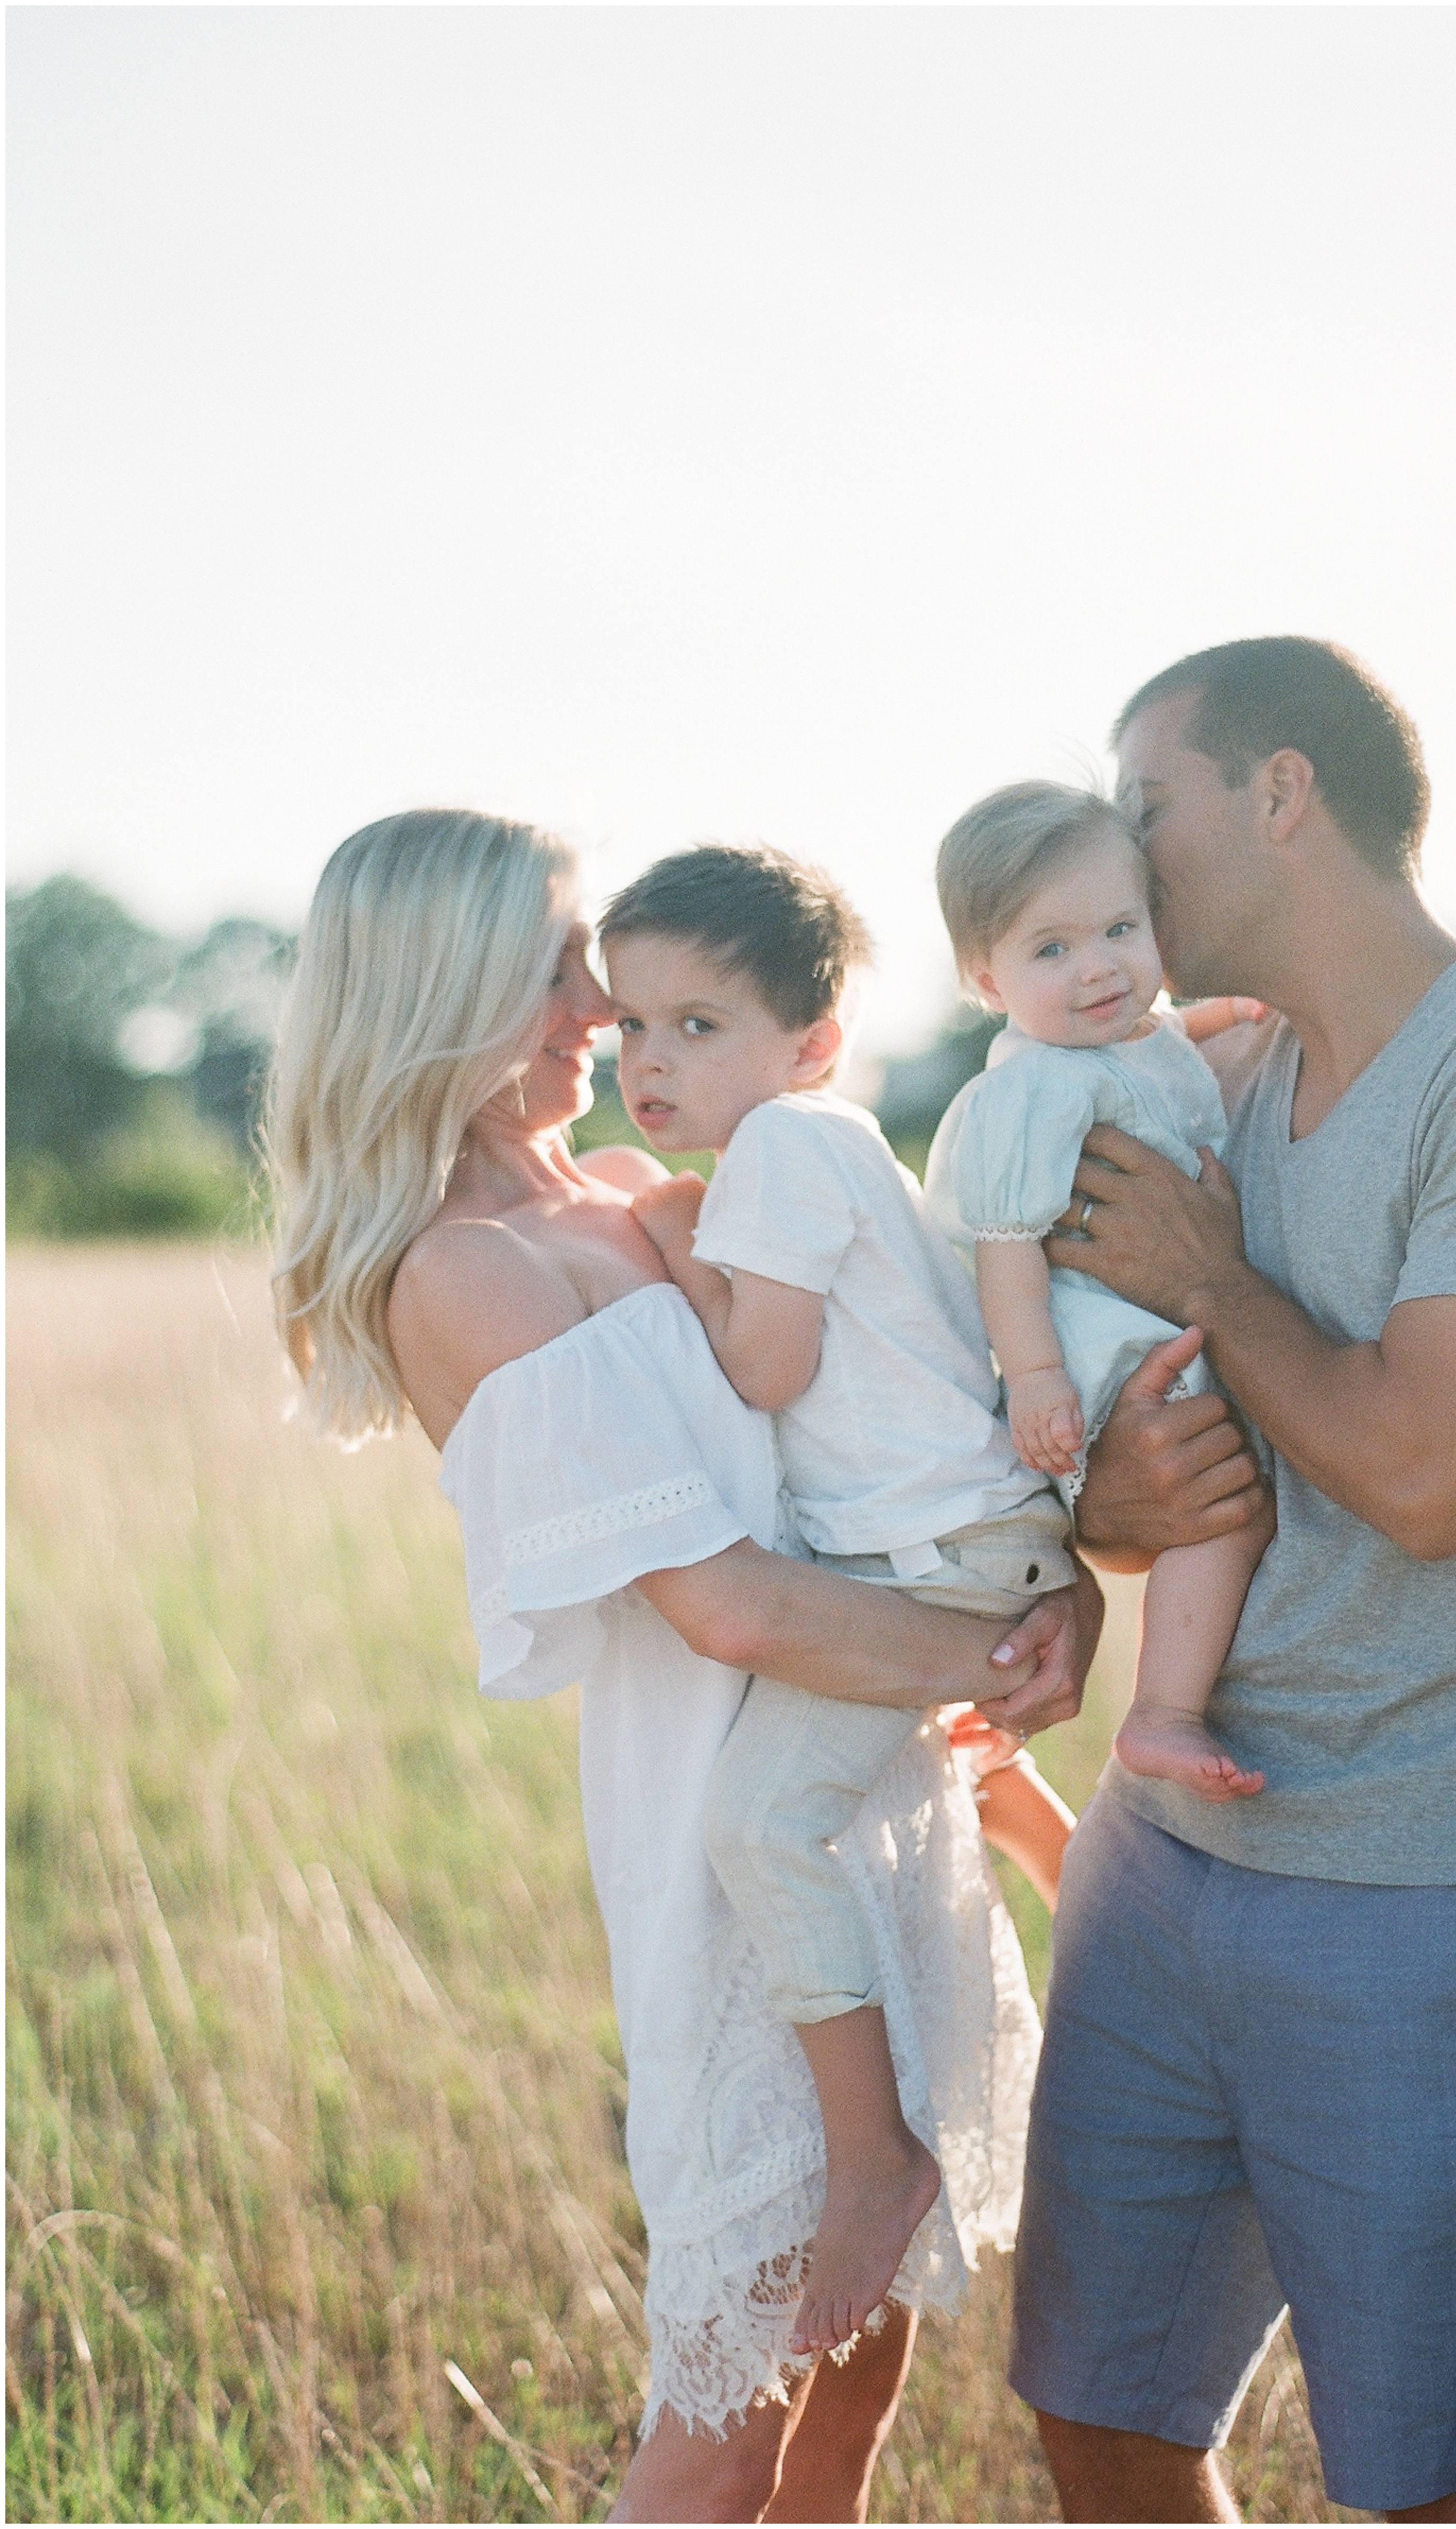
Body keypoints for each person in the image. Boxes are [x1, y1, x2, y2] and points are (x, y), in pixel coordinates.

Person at [265, 807, 1109, 2525]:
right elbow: (726, 1602)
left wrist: (1049, 1618)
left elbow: (865, 1445)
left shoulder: (658, 1195)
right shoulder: (465, 1270)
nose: (605, 1004)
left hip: (873, 1792)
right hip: (729, 1859)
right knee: (731, 2404)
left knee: (858, 2384)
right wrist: (1004, 1639)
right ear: (444, 985)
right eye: (563, 965)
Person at [1010, 638, 1456, 2526]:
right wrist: (1109, 1490)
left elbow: (1429, 1474)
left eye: (1148, 809)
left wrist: (1218, 1279)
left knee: (1445, 2491)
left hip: (1431, 1889)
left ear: (1281, 792)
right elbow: (1152, 1490)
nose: (1116, 865)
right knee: (1103, 2417)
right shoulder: (1210, 1081)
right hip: (1163, 1862)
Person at [598, 841, 1077, 2363]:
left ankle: (873, 2152)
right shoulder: (822, 1144)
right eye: (627, 1023)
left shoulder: (784, 1156)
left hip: (928, 1553)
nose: (646, 1060)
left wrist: (671, 1244)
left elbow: (766, 1367)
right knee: (888, 1751)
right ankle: (1072, 1853)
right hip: (954, 1538)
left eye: (696, 1024)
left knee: (759, 1822)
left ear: (808, 1042)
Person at [924, 779, 1273, 1802]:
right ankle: (1162, 1712)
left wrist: (1233, 1011)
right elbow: (1005, 1245)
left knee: (1230, 1502)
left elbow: (1165, 1052)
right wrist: (1033, 1378)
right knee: (1222, 1514)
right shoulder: (1030, 1089)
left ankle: (1166, 1701)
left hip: (1154, 1314)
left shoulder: (1134, 1036)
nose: (1098, 968)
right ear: (986, 978)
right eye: (1051, 950)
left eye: (1121, 928)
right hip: (1097, 1350)